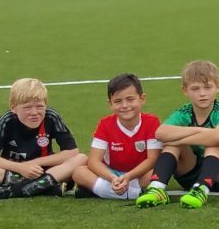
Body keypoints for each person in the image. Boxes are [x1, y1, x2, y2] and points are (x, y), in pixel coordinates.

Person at [0, 77, 87, 200]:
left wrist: (33, 164)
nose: (34, 112)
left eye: (40, 106)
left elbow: (72, 152)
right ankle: (43, 187)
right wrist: (21, 168)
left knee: (82, 159)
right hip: (13, 171)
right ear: (13, 108)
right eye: (27, 107)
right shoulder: (6, 120)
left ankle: (13, 191)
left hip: (46, 170)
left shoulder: (51, 117)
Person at [142, 60, 219, 208]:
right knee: (171, 144)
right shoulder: (183, 112)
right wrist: (201, 131)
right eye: (195, 88)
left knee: (215, 143)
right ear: (185, 90)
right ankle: (156, 188)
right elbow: (160, 133)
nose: (202, 93)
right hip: (190, 175)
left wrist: (181, 138)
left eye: (208, 87)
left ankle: (201, 190)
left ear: (217, 87)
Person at [69, 73, 162, 203]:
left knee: (159, 171)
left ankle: (105, 191)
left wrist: (129, 177)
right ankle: (132, 192)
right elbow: (93, 161)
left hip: (139, 175)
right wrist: (113, 178)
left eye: (130, 99)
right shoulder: (105, 124)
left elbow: (152, 159)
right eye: (118, 101)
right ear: (110, 103)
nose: (125, 105)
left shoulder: (152, 122)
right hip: (111, 174)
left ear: (142, 99)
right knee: (78, 172)